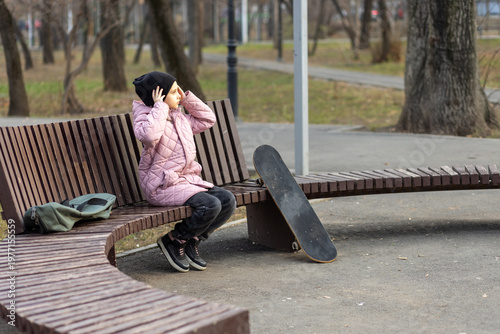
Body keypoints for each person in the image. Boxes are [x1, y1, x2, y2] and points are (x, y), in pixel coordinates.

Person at [132, 71, 236, 273]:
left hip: (185, 181)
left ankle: (191, 239)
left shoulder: (179, 118)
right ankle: (174, 240)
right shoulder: (147, 118)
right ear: (159, 97)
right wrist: (161, 107)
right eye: (173, 91)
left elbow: (208, 119)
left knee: (227, 201)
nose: (178, 94)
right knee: (209, 205)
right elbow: (149, 136)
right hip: (161, 185)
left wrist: (186, 97)